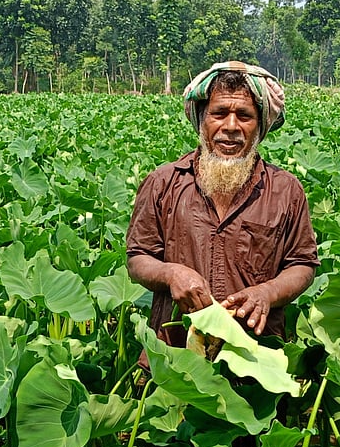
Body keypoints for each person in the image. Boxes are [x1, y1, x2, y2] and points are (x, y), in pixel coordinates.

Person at [126, 61, 319, 354]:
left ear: (260, 125)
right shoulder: (163, 183)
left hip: (254, 357)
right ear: (203, 119)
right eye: (219, 114)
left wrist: (267, 292)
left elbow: (302, 264)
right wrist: (171, 274)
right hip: (175, 354)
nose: (231, 127)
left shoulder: (285, 190)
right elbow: (138, 258)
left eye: (244, 116)